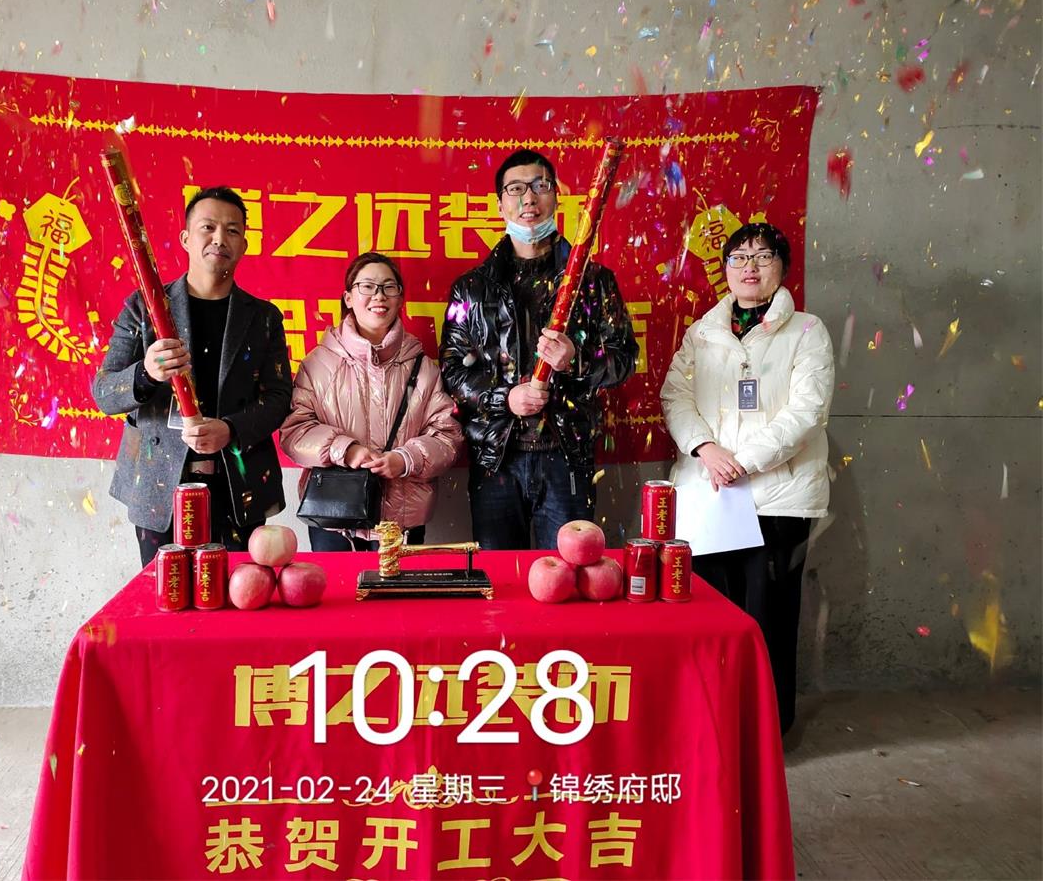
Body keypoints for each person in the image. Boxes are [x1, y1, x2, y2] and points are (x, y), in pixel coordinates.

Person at [660, 222, 835, 735]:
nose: (749, 267)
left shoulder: (807, 331)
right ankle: (714, 727)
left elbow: (808, 410)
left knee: (768, 617)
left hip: (777, 499)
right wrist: (706, 449)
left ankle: (767, 732)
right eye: (738, 257)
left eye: (762, 257)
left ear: (783, 267)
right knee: (712, 615)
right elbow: (675, 395)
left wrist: (742, 461)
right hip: (711, 496)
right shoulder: (703, 332)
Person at [439, 149, 638, 550]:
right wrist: (506, 398)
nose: (528, 198)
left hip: (567, 458)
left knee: (567, 571)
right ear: (500, 204)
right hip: (496, 459)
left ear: (556, 198)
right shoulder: (471, 288)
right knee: (500, 577)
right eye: (515, 189)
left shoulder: (593, 281)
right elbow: (452, 370)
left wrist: (576, 360)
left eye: (540, 186)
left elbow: (624, 359)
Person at [93, 187, 292, 566]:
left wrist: (229, 429)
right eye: (208, 227)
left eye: (232, 231)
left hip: (237, 486)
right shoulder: (145, 308)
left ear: (244, 245)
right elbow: (104, 391)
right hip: (159, 486)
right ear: (186, 238)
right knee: (167, 593)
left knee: (238, 591)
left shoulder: (263, 318)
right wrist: (147, 373)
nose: (220, 239)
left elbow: (280, 398)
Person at [279, 252, 462, 551]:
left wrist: (406, 459)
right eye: (367, 286)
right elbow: (294, 432)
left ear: (400, 299)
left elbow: (448, 437)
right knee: (334, 584)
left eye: (389, 287)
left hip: (402, 520)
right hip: (333, 518)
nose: (379, 295)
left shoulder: (423, 368)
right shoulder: (318, 364)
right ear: (348, 298)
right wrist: (345, 450)